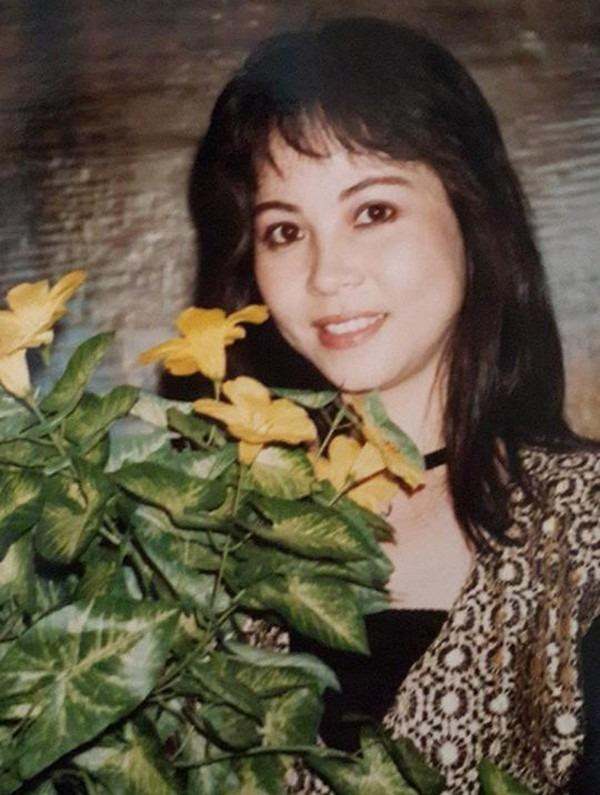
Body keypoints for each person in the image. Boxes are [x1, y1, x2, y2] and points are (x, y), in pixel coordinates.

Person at [187, 17, 600, 794]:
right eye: (285, 230)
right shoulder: (204, 535)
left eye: (372, 211)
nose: (326, 273)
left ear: (472, 215)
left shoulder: (587, 525)